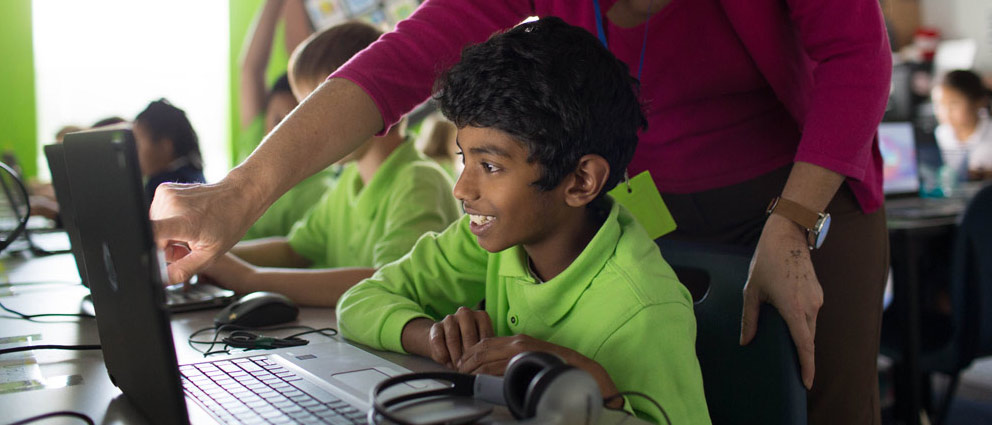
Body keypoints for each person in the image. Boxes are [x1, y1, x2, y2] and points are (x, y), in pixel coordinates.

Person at [151, 1, 892, 423]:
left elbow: (858, 55)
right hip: (642, 204)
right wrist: (238, 194)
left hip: (804, 187)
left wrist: (794, 218)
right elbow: (396, 64)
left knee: (824, 404)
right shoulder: (528, 235)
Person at [337, 18, 707, 423]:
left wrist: (598, 390)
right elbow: (359, 302)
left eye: (490, 166)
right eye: (465, 158)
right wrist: (436, 340)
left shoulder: (645, 309)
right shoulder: (497, 239)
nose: (461, 189)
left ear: (581, 181)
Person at [200, 21, 460, 307]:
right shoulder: (348, 182)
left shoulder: (419, 182)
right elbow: (296, 250)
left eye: (317, 110)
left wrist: (250, 279)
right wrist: (208, 255)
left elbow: (390, 284)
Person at [237, 0, 334, 241]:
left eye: (293, 122)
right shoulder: (257, 144)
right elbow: (251, 69)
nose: (279, 132)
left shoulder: (320, 184)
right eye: (277, 120)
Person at [134, 99, 205, 203]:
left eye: (137, 144)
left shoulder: (160, 187)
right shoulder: (195, 176)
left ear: (165, 146)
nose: (134, 152)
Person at [932, 69, 992, 179]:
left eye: (954, 104)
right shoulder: (940, 135)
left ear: (978, 102)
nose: (945, 112)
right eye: (939, 105)